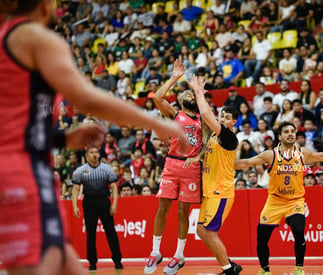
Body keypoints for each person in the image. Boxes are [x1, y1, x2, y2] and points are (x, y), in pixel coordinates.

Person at [0, 1, 186, 275]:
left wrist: (62, 139)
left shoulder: (10, 41)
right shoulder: (35, 37)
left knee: (64, 261)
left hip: (22, 165)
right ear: (46, 6)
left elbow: (15, 126)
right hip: (20, 171)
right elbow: (87, 99)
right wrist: (154, 122)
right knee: (40, 264)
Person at [234, 122, 323, 275]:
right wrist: (223, 164)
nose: (290, 134)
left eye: (293, 131)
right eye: (286, 131)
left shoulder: (302, 153)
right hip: (275, 201)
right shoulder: (271, 154)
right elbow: (246, 162)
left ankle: (299, 267)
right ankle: (265, 269)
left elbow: (321, 156)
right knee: (262, 238)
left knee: (298, 230)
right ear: (279, 136)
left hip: (295, 201)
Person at [145, 59, 204, 275]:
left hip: (191, 167)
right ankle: (155, 251)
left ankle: (179, 255)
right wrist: (174, 78)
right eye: (186, 94)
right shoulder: (174, 114)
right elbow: (158, 97)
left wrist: (199, 93)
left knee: (182, 212)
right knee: (162, 209)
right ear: (179, 100)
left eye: (191, 95)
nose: (188, 95)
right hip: (172, 163)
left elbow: (208, 143)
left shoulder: (203, 118)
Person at [187, 74, 242, 275]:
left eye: (227, 118)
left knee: (209, 232)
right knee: (201, 231)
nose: (223, 119)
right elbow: (209, 153)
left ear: (233, 122)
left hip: (221, 192)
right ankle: (230, 265)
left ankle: (228, 270)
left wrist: (199, 93)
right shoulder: (214, 137)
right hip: (209, 192)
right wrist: (197, 158)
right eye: (222, 116)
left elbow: (206, 116)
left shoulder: (228, 136)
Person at [72, 147, 123, 271]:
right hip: (89, 202)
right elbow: (75, 189)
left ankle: (117, 260)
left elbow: (114, 188)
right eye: (92, 152)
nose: (95, 154)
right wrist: (74, 206)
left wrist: (114, 204)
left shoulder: (107, 169)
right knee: (91, 233)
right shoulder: (80, 171)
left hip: (104, 201)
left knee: (110, 231)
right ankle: (92, 262)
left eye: (96, 152)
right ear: (87, 155)